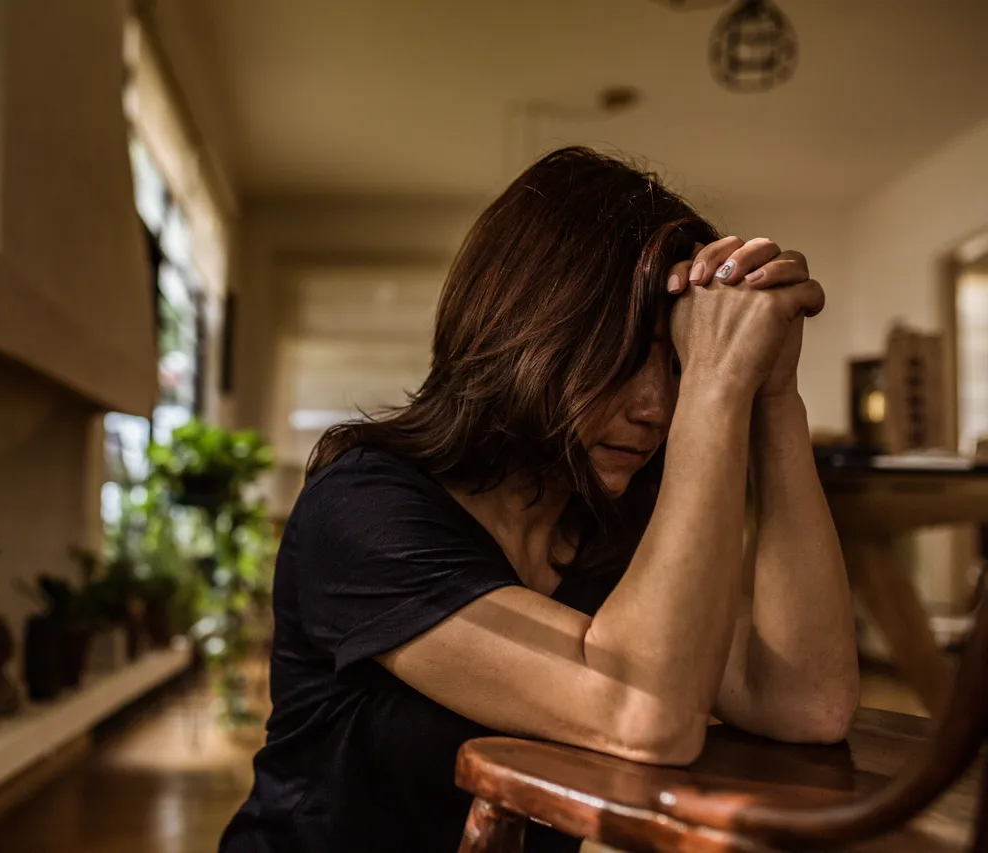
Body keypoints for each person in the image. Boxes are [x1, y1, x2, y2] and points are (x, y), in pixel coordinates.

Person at [219, 147, 860, 853]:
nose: (655, 406)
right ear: (527, 334)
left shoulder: (613, 522)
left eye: (674, 361)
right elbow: (644, 715)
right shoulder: (361, 509)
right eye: (619, 352)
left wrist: (774, 393)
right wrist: (714, 380)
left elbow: (806, 702)